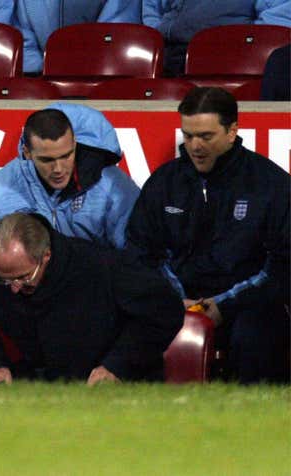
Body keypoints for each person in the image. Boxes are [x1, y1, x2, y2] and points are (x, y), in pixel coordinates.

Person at [125, 87, 290, 384]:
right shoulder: (164, 182)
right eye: (188, 136)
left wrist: (226, 304)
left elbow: (282, 265)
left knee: (258, 332)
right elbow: (140, 251)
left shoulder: (271, 185)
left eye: (205, 136)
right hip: (172, 303)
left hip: (247, 307)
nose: (195, 146)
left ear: (232, 131)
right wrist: (177, 299)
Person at [0, 212, 183, 384]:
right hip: (38, 389)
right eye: (3, 279)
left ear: (46, 256)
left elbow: (165, 309)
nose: (14, 288)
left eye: (24, 277)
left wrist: (116, 364)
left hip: (113, 389)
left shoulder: (100, 265)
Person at [0, 102, 139, 283]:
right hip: (21, 299)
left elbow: (136, 256)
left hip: (94, 297)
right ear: (27, 152)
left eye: (66, 155)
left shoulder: (113, 187)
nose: (58, 169)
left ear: (75, 144)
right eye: (47, 159)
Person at [142, 0, 291, 77]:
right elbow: (152, 10)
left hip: (232, 60)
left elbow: (274, 28)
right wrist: (158, 35)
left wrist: (241, 43)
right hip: (168, 54)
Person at [14, 0, 141, 73]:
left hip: (102, 74)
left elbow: (114, 34)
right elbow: (23, 37)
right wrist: (42, 70)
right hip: (41, 77)